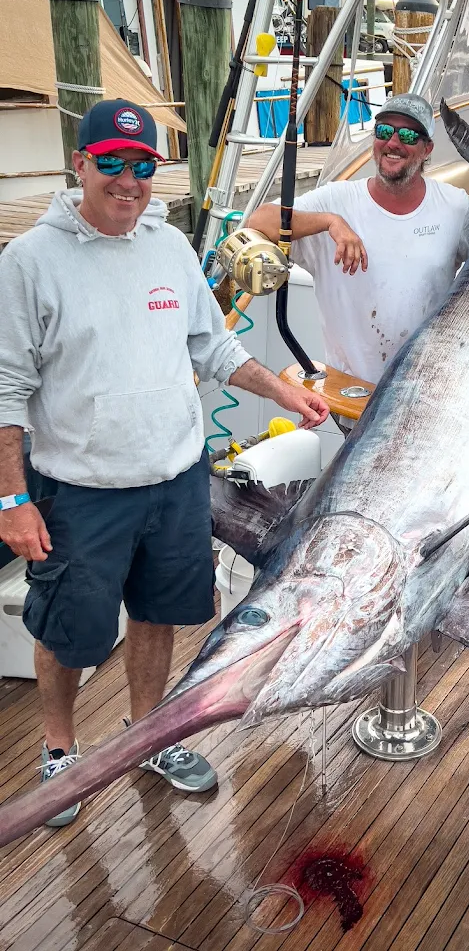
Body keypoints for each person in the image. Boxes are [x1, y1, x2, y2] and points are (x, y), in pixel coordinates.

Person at [0, 99, 329, 826]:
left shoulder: (170, 246)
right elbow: (6, 389)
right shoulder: (28, 261)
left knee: (159, 614)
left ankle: (147, 734)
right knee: (67, 631)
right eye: (111, 163)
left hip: (176, 479)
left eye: (142, 165)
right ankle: (58, 750)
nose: (128, 180)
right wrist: (12, 501)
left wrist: (284, 391)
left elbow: (213, 346)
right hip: (80, 490)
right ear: (80, 164)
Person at [247, 93, 469, 390]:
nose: (393, 143)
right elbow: (259, 221)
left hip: (427, 392)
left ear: (427, 149)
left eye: (408, 135)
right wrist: (331, 222)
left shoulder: (457, 207)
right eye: (384, 131)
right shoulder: (336, 199)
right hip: (349, 394)